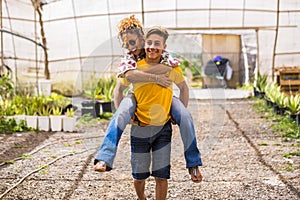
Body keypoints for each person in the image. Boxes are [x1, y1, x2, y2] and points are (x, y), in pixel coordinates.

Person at [94, 15, 202, 183]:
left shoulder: (154, 49)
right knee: (120, 113)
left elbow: (169, 68)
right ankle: (105, 157)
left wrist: (175, 114)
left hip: (165, 97)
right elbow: (128, 76)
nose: (130, 47)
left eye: (132, 42)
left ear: (141, 38)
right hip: (136, 96)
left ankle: (193, 163)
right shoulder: (130, 57)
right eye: (126, 44)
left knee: (186, 116)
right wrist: (155, 77)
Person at [125, 26, 192, 199]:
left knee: (161, 175)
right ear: (144, 44)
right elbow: (119, 88)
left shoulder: (170, 66)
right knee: (139, 176)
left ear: (164, 46)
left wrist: (179, 113)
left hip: (163, 129)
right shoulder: (136, 66)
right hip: (140, 127)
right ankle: (142, 198)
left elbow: (183, 88)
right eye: (149, 43)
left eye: (157, 43)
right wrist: (126, 116)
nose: (152, 47)